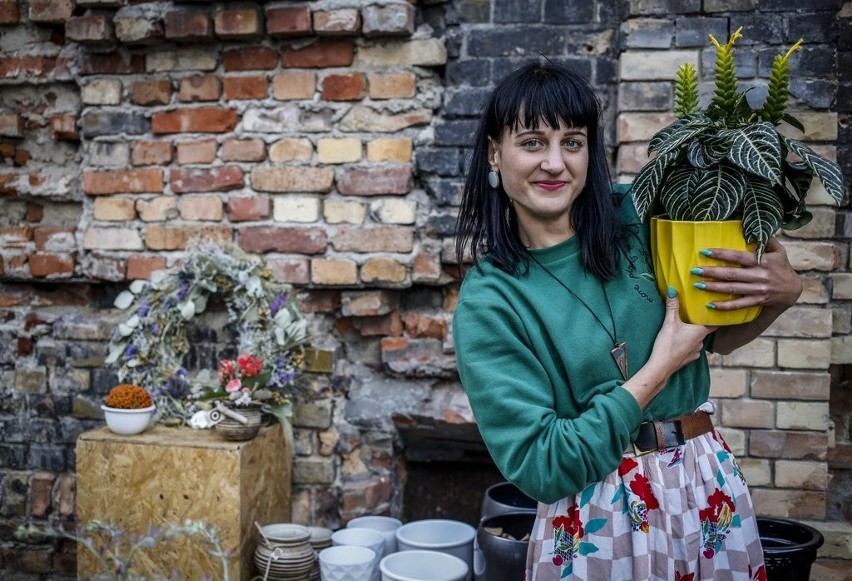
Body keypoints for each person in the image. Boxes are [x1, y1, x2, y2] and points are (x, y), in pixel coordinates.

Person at [452, 59, 803, 580]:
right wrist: (659, 367)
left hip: (703, 488)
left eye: (572, 141)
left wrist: (782, 293)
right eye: (532, 142)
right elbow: (544, 465)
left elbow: (715, 334)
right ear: (494, 155)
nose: (555, 163)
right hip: (596, 516)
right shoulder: (491, 299)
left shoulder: (638, 217)